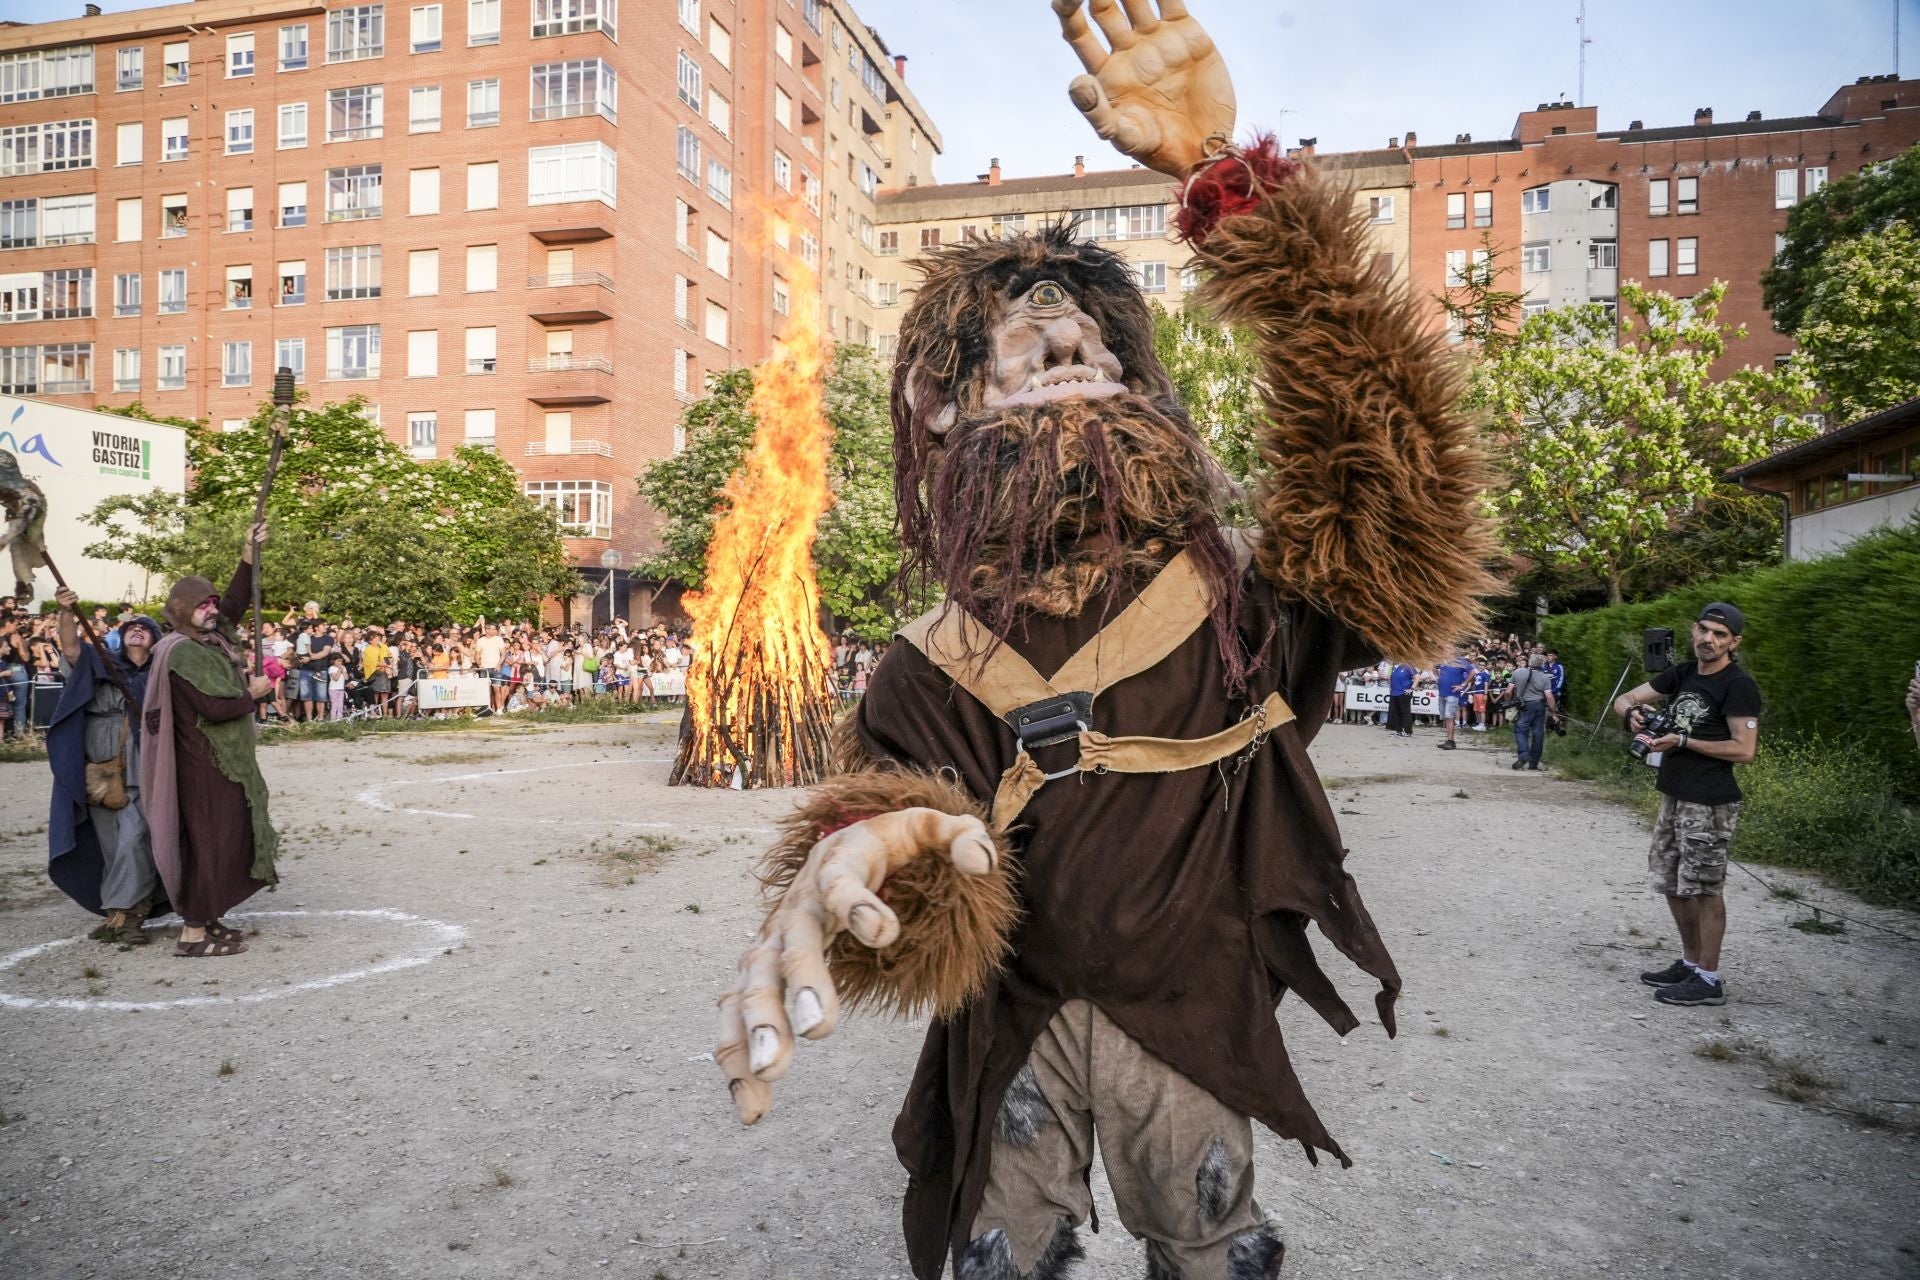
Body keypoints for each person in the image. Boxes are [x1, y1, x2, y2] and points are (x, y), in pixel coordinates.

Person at [712, 7, 1497, 1276]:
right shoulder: (926, 660)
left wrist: (1238, 197)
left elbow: (1389, 476)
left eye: (1095, 334)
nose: (1072, 337)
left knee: (1211, 1250)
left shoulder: (1238, 597)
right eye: (1027, 328)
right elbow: (920, 906)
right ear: (945, 397)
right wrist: (873, 851)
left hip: (1189, 1011)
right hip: (1010, 1026)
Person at [140, 526, 280, 958]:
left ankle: (211, 914)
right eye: (202, 605)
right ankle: (193, 935)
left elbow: (237, 603)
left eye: (212, 602)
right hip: (204, 765)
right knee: (209, 843)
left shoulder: (211, 638)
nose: (212, 610)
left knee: (225, 840)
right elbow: (215, 707)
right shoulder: (180, 651)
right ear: (182, 611)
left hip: (224, 764)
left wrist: (248, 555)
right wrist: (252, 696)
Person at [1613, 603, 1761, 1008]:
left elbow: (1744, 749)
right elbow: (1625, 698)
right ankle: (1690, 963)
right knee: (1672, 884)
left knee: (1705, 889)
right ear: (1693, 630)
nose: (1708, 640)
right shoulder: (1683, 673)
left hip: (1710, 802)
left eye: (1719, 634)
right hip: (1675, 794)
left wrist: (1683, 741)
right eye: (1704, 630)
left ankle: (1709, 980)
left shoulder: (1738, 685)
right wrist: (1634, 717)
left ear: (1734, 642)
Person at [45, 589, 163, 944]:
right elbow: (70, 648)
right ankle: (117, 915)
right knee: (112, 846)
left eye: (145, 628)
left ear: (156, 640)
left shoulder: (160, 673)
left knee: (133, 840)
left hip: (143, 767)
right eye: (131, 626)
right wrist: (66, 613)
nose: (137, 629)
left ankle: (132, 914)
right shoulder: (103, 661)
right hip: (101, 767)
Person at [1506, 653, 1557, 770]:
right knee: (1538, 734)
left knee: (1520, 730)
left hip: (1524, 706)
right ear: (1542, 665)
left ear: (1530, 662)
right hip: (1539, 707)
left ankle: (1524, 755)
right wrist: (1553, 712)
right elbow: (1549, 697)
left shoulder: (1518, 672)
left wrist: (1509, 704)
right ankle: (1534, 763)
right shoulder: (1545, 678)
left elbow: (1508, 692)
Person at [1434, 647, 1471, 750]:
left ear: (1453, 650)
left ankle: (1451, 741)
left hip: (1452, 693)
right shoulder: (1442, 660)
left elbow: (1472, 672)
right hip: (1442, 692)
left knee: (1449, 717)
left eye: (1447, 649)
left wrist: (1463, 684)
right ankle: (1448, 740)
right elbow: (1434, 667)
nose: (1444, 650)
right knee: (1446, 718)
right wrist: (1437, 676)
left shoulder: (1460, 660)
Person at [1386, 659, 1415, 737]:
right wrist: (1390, 687)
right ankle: (1399, 731)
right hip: (1394, 693)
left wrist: (1412, 688)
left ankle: (1408, 732)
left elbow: (1417, 676)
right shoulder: (1393, 667)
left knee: (1405, 713)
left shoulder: (1408, 666)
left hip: (1404, 693)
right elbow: (1390, 678)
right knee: (1397, 713)